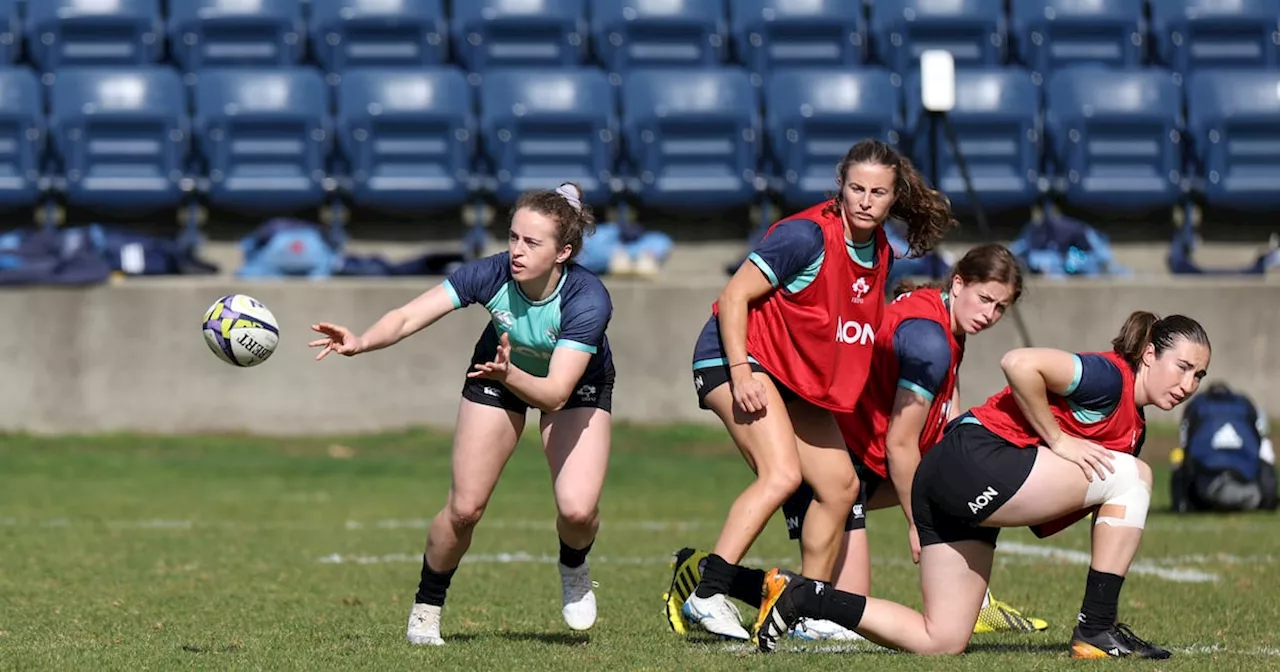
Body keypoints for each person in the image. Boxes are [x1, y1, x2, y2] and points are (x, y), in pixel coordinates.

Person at [754, 311, 1212, 660]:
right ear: (1150, 353)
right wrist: (1058, 440)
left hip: (945, 480)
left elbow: (1050, 511)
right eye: (1183, 366)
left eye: (1199, 375)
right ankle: (1096, 626)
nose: (1188, 383)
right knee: (1136, 476)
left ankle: (804, 595)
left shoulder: (1135, 430)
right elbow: (1019, 362)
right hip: (974, 459)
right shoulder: (1108, 376)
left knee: (942, 640)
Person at [666, 244, 1047, 641]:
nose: (989, 314)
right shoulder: (928, 338)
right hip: (841, 455)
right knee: (841, 607)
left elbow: (943, 406)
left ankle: (977, 601)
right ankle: (711, 577)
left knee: (845, 600)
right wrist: (919, 524)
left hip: (864, 460)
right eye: (985, 299)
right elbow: (901, 445)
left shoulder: (943, 320)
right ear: (958, 282)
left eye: (1000, 307)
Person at [308, 183, 614, 646]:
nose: (516, 250)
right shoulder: (491, 273)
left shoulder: (588, 299)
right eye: (513, 237)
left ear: (563, 252)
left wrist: (511, 373)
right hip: (496, 370)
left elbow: (553, 394)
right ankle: (426, 609)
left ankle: (573, 566)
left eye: (532, 243)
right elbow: (410, 316)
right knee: (465, 509)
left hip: (569, 386)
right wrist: (362, 340)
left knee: (577, 510)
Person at [679, 139, 958, 640]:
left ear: (894, 197)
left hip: (792, 377)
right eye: (856, 188)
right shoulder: (806, 236)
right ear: (841, 186)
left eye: (878, 191)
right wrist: (741, 373)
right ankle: (707, 593)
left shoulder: (882, 254)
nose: (865, 200)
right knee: (782, 475)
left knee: (840, 487)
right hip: (735, 356)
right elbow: (734, 296)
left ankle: (807, 609)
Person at [1171, 381, 1277, 513]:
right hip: (1248, 486)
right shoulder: (1245, 404)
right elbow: (1265, 451)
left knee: (1177, 458)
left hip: (1206, 488)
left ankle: (1186, 504)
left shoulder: (1197, 405)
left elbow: (1185, 448)